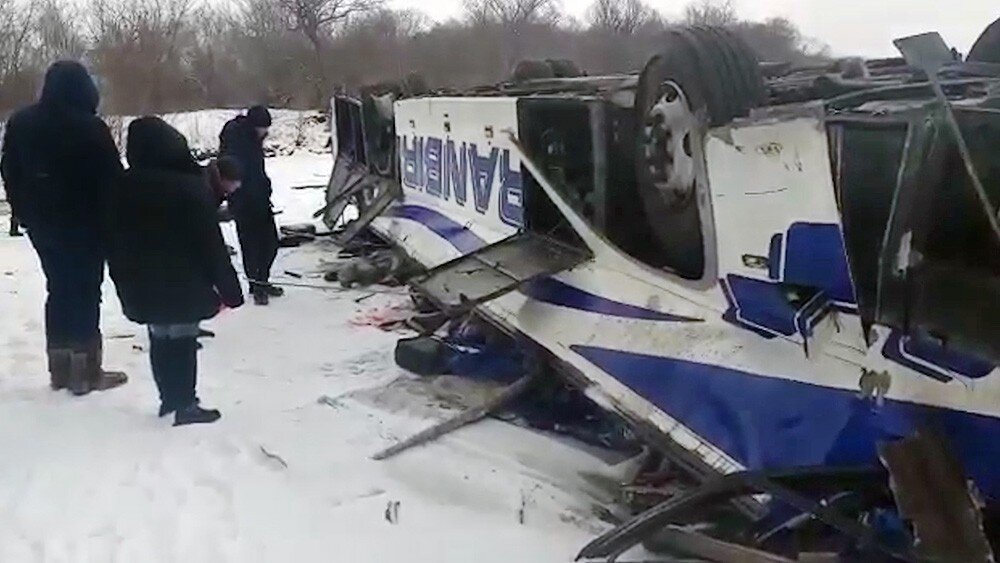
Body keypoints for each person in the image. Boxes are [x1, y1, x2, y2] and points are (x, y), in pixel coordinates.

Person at [0, 60, 127, 395]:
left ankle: (60, 370)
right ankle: (86, 371)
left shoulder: (21, 122)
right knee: (85, 291)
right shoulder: (89, 127)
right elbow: (111, 179)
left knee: (58, 288)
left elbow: (9, 170)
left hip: (42, 225)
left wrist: (22, 210)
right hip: (84, 224)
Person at [107, 117, 244, 426]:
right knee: (182, 342)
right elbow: (211, 244)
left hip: (142, 281)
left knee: (160, 338)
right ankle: (185, 404)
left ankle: (168, 398)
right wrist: (230, 291)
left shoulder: (120, 187)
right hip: (184, 281)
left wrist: (122, 279)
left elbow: (111, 238)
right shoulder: (188, 187)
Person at [219, 105, 283, 305]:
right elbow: (231, 171)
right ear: (254, 125)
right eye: (263, 128)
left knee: (270, 242)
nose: (266, 132)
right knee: (251, 245)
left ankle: (263, 281)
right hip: (243, 200)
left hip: (260, 198)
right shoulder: (235, 140)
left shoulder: (254, 140)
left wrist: (265, 186)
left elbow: (257, 170)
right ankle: (256, 286)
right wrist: (238, 195)